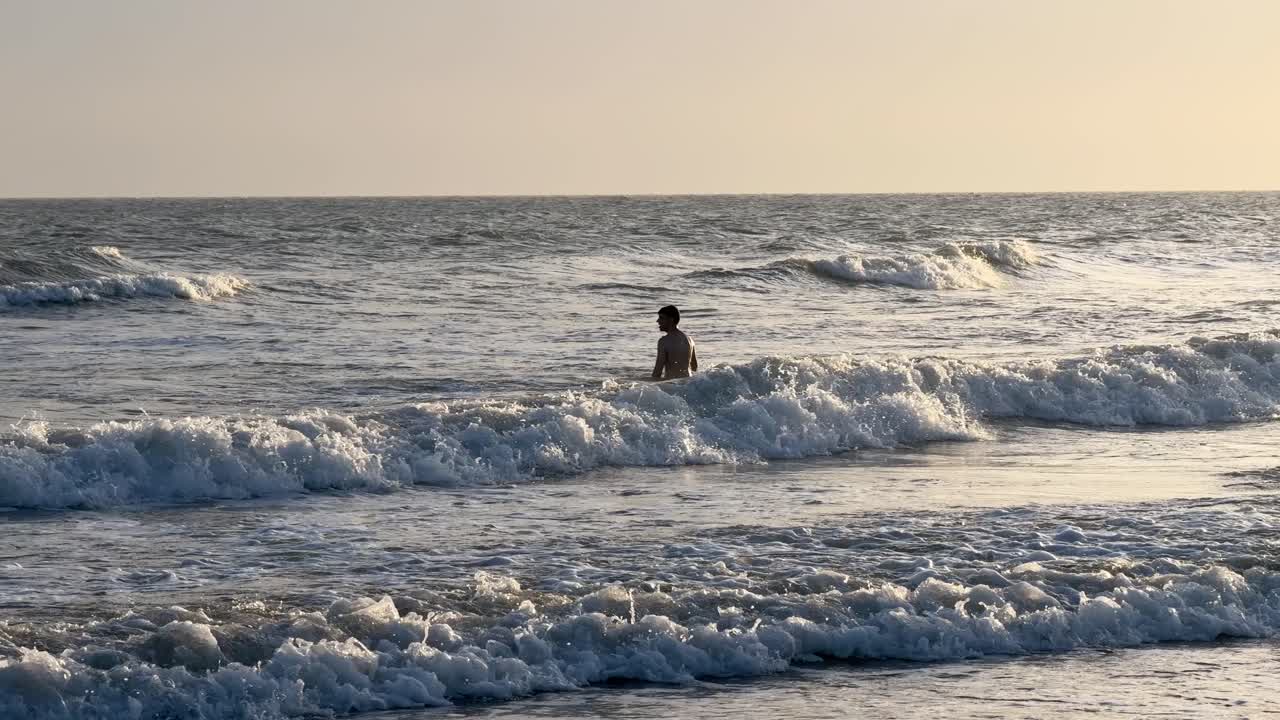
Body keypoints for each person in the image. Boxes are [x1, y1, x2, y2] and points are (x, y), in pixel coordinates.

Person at [652, 305, 697, 380]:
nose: (658, 321)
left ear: (671, 320)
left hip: (672, 386)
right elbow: (694, 367)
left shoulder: (664, 341)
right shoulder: (690, 340)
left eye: (661, 318)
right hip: (689, 384)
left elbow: (657, 371)